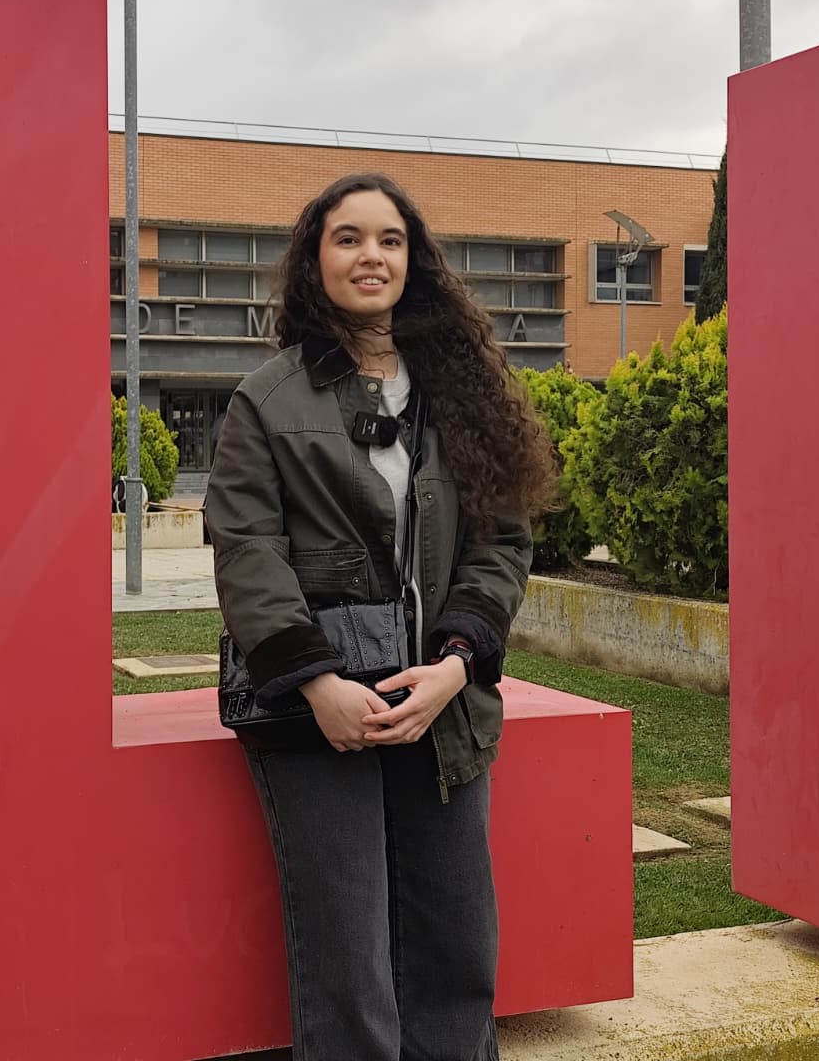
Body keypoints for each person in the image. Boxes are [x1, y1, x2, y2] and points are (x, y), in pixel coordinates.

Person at [203, 172, 558, 1061]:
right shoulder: (267, 401)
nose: (372, 256)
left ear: (415, 259)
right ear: (314, 260)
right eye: (349, 238)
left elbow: (501, 544)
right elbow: (247, 553)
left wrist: (454, 668)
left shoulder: (465, 392)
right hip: (318, 713)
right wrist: (318, 684)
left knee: (457, 945)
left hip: (443, 707)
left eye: (390, 239)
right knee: (348, 961)